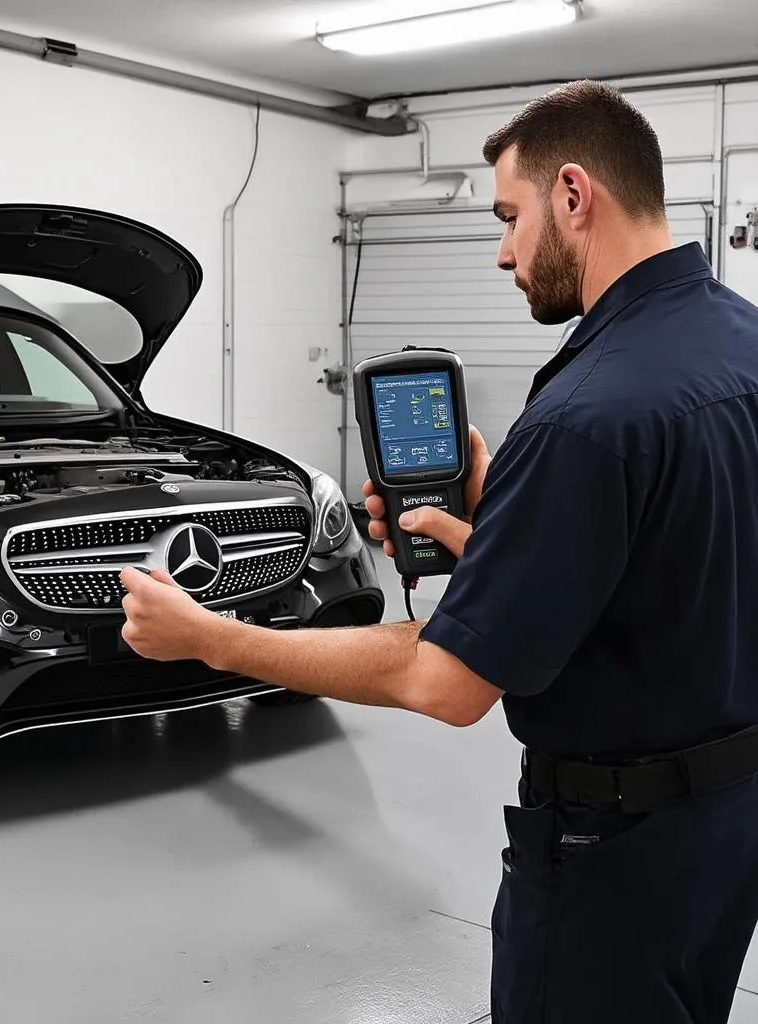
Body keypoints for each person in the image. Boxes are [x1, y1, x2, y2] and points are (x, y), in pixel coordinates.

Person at [118, 79, 758, 1024]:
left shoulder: (588, 415)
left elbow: (446, 685)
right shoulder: (740, 346)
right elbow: (684, 549)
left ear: (574, 196)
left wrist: (210, 636)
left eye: (510, 217)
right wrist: (509, 515)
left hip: (610, 857)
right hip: (728, 830)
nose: (504, 251)